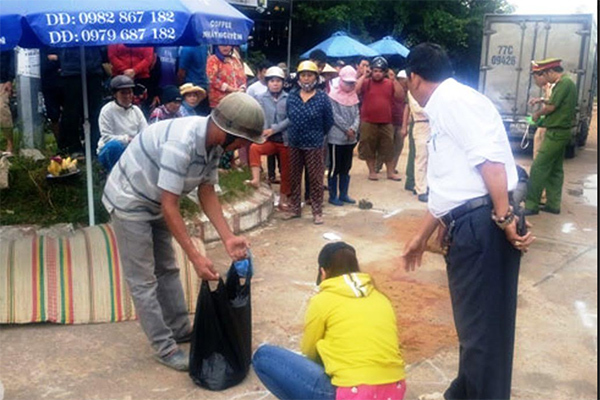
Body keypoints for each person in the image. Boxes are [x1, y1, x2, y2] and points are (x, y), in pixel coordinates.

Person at [399, 43, 535, 400]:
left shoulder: (453, 102)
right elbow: (453, 184)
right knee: (479, 330)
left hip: (482, 225)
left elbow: (488, 162)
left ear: (414, 77)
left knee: (482, 335)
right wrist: (422, 234)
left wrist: (504, 217)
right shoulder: (447, 105)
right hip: (473, 221)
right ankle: (464, 393)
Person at [102, 92, 265, 372]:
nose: (244, 146)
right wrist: (196, 257)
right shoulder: (182, 143)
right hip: (130, 200)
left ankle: (179, 329)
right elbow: (170, 206)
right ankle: (164, 347)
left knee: (167, 267)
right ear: (228, 133)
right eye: (244, 141)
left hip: (156, 199)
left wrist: (228, 237)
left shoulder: (213, 145)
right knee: (143, 279)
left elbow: (207, 191)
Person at [253, 242, 407, 400]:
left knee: (263, 356)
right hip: (394, 391)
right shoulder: (381, 298)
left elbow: (309, 351)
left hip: (352, 394)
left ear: (323, 272)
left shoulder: (323, 300)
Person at [523, 58, 576, 216]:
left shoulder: (564, 83)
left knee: (539, 167)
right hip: (561, 131)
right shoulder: (567, 83)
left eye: (546, 75)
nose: (545, 79)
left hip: (556, 132)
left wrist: (537, 114)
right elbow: (557, 101)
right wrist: (542, 99)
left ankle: (531, 204)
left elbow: (552, 106)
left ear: (552, 72)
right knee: (555, 169)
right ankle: (553, 204)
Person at [285, 61, 333, 225]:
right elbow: (288, 116)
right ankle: (295, 209)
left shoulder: (322, 97)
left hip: (314, 144)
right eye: (303, 75)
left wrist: (318, 134)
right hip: (294, 143)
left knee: (315, 179)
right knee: (294, 177)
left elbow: (329, 121)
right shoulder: (292, 96)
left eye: (309, 75)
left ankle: (317, 211)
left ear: (316, 77)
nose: (306, 79)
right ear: (298, 77)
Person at [246, 67, 291, 211]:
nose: (275, 84)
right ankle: (256, 179)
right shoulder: (261, 98)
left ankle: (284, 198)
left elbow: (291, 118)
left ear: (283, 83)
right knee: (254, 148)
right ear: (267, 83)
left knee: (285, 171)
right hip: (269, 140)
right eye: (272, 81)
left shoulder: (289, 98)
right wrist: (264, 132)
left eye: (278, 81)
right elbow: (260, 116)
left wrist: (274, 129)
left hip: (285, 140)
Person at [356, 56, 404, 181]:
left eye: (380, 71)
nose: (377, 74)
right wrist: (364, 76)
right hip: (368, 120)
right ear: (372, 70)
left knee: (388, 147)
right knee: (368, 147)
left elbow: (400, 96)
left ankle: (390, 172)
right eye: (375, 70)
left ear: (385, 72)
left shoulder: (389, 83)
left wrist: (394, 80)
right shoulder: (366, 82)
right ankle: (372, 172)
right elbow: (356, 91)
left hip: (386, 121)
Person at [58, 47, 106, 157]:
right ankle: (74, 146)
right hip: (71, 70)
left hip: (93, 69)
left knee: (95, 111)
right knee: (72, 112)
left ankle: (95, 145)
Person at [97, 75, 147, 171]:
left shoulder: (136, 110)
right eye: (123, 93)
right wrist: (127, 139)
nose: (127, 96)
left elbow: (145, 131)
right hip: (110, 150)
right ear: (115, 94)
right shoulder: (107, 110)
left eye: (130, 92)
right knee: (115, 146)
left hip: (132, 149)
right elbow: (107, 137)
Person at [326, 66, 360, 206]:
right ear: (341, 81)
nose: (350, 85)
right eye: (347, 82)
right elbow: (334, 116)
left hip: (350, 139)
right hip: (336, 137)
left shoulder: (354, 96)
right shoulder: (332, 96)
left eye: (352, 83)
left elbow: (358, 114)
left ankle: (344, 193)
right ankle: (333, 195)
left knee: (346, 166)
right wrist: (347, 129)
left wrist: (353, 128)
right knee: (335, 167)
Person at [404, 76, 431, 203]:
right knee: (421, 158)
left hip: (431, 125)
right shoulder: (412, 93)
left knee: (430, 158)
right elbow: (420, 110)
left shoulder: (427, 92)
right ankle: (421, 189)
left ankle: (424, 185)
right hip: (420, 124)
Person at [206, 45, 247, 109]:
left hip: (236, 100)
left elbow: (243, 76)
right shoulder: (213, 59)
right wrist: (230, 89)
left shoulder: (235, 60)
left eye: (228, 44)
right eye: (222, 44)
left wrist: (242, 88)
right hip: (219, 102)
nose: (225, 47)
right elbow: (211, 78)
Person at [0, 50, 15, 156]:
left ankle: (10, 145)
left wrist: (9, 80)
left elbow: (11, 57)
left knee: (2, 110)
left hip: (2, 81)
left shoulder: (5, 37)